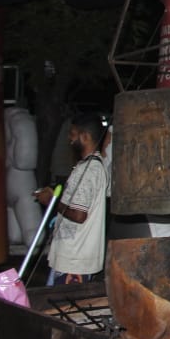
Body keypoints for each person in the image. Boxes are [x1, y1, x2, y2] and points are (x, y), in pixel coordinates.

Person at [35, 112, 109, 285]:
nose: (69, 138)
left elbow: (79, 215)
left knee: (61, 309)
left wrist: (52, 202)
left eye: (73, 134)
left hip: (74, 261)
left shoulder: (89, 169)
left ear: (85, 136)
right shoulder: (88, 166)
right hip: (72, 258)